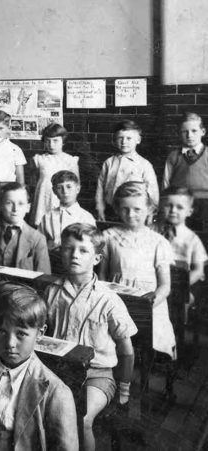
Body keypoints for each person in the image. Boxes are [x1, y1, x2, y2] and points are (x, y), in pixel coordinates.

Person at [44, 223, 137, 451]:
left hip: (97, 376)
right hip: (58, 370)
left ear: (96, 259)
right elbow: (41, 331)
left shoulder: (108, 300)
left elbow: (127, 351)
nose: (74, 255)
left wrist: (124, 389)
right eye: (68, 248)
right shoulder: (51, 292)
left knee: (80, 418)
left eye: (83, 250)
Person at [0, 282, 79, 451]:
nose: (10, 343)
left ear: (40, 333)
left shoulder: (56, 392)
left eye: (21, 334)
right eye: (1, 331)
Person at [99, 182, 176, 359]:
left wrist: (147, 304)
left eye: (137, 209)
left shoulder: (158, 242)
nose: (131, 214)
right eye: (125, 209)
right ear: (117, 209)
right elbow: (102, 275)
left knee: (152, 332)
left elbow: (165, 286)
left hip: (149, 304)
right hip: (117, 301)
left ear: (149, 209)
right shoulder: (109, 237)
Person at [154, 186, 207, 325]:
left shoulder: (191, 238)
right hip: (154, 280)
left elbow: (199, 270)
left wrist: (180, 285)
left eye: (179, 207)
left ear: (189, 211)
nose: (173, 211)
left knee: (181, 299)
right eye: (168, 206)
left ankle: (176, 333)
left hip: (181, 286)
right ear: (161, 207)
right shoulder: (152, 232)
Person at [0, 182, 50, 273]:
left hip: (22, 286)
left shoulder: (37, 239)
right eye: (9, 203)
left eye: (20, 204)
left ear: (28, 208)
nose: (15, 209)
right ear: (0, 205)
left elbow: (43, 277)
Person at [95, 120, 160, 221]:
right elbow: (100, 188)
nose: (124, 142)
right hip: (110, 211)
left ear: (138, 140)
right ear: (115, 140)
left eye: (129, 138)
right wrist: (100, 208)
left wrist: (150, 213)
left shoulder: (144, 165)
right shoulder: (109, 162)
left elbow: (152, 191)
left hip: (133, 212)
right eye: (120, 138)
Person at [37, 170, 96, 271]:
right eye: (60, 187)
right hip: (51, 263)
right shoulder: (47, 217)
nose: (65, 191)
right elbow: (39, 244)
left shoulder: (86, 217)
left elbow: (91, 248)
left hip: (76, 263)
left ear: (77, 188)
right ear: (54, 191)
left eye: (69, 186)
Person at [163, 112, 208, 228]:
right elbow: (165, 183)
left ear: (203, 132)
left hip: (205, 204)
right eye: (185, 132)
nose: (189, 135)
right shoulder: (173, 156)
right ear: (179, 133)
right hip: (179, 203)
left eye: (194, 131)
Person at [28, 123, 79, 226]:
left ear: (63, 141)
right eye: (47, 141)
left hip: (62, 198)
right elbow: (34, 180)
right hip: (43, 200)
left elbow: (76, 185)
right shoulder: (39, 159)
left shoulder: (70, 160)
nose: (51, 145)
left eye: (55, 141)